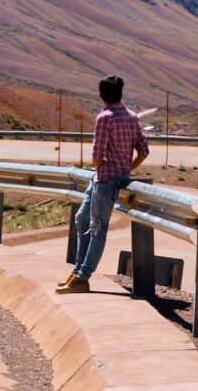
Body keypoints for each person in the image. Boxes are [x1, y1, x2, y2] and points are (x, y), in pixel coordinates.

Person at [56, 75, 149, 294]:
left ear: (101, 95)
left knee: (96, 227)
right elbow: (144, 150)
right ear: (120, 94)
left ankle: (82, 276)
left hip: (104, 178)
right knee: (82, 218)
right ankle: (78, 271)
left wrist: (105, 166)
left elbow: (97, 156)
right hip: (108, 178)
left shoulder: (104, 118)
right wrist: (127, 169)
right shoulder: (132, 117)